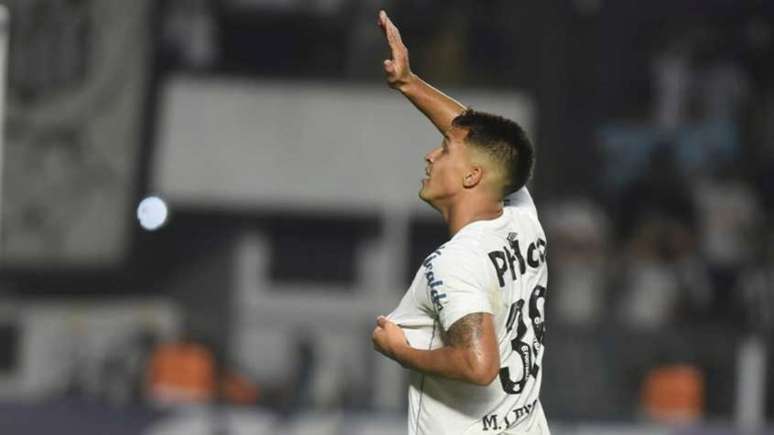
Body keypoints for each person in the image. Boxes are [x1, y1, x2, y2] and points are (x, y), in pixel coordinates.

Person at [371, 11, 550, 435]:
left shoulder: (455, 263)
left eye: (443, 150)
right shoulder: (523, 218)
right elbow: (488, 145)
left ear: (472, 177)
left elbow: (478, 364)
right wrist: (408, 83)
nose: (431, 156)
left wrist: (400, 351)